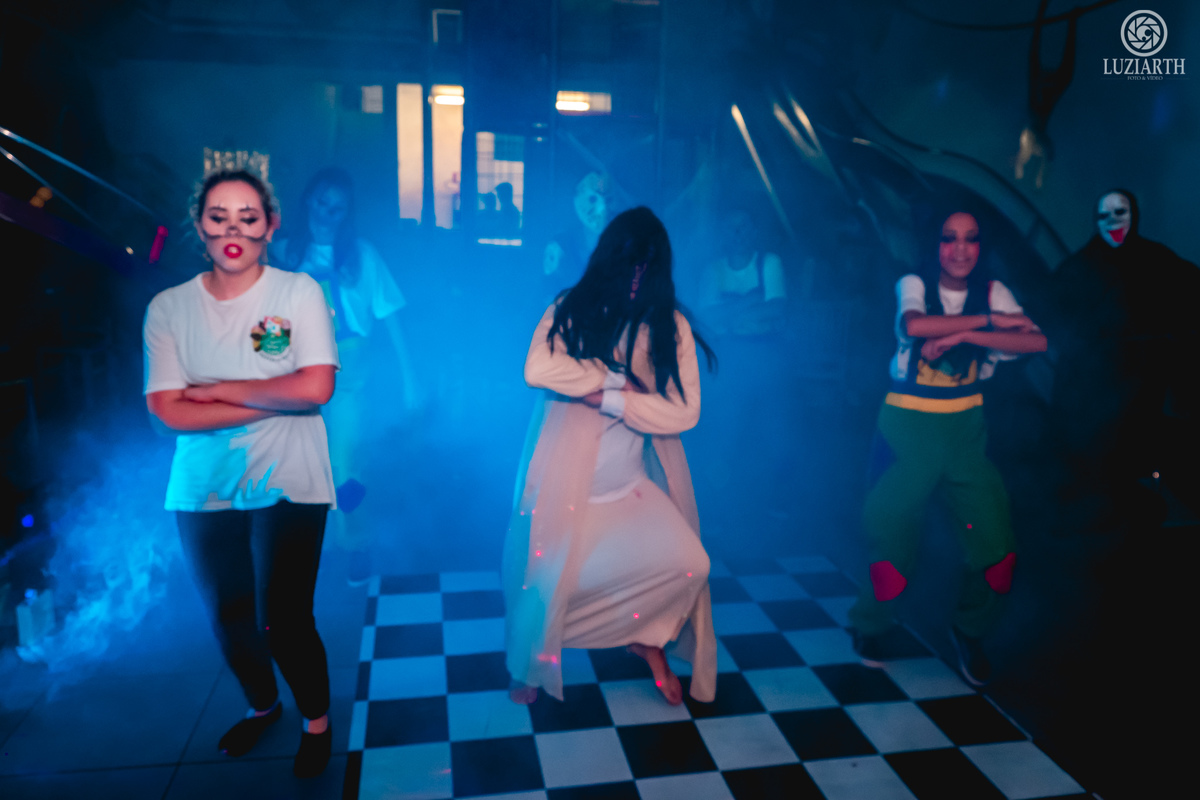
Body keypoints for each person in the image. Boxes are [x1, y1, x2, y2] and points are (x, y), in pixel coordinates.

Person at [143, 170, 338, 777]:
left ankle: (316, 723)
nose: (234, 229)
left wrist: (215, 390)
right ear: (199, 226)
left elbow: (316, 388)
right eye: (219, 216)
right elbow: (166, 412)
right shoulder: (169, 308)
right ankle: (263, 705)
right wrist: (269, 396)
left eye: (248, 217)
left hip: (290, 471)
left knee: (283, 617)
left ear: (270, 226)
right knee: (228, 615)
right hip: (202, 482)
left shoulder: (298, 292)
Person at [505, 207, 718, 706]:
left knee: (690, 564)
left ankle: (645, 638)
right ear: (609, 259)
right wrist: (614, 381)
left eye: (647, 268)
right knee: (548, 584)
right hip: (563, 485)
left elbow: (685, 412)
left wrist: (614, 403)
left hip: (628, 489)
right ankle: (532, 665)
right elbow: (536, 369)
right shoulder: (572, 307)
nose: (636, 279)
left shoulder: (670, 326)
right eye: (629, 265)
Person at [847, 207, 1047, 687]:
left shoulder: (995, 290)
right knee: (890, 543)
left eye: (970, 238)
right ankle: (870, 624)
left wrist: (965, 333)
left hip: (964, 435)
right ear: (934, 243)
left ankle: (969, 630)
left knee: (997, 553)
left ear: (981, 245)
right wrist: (992, 322)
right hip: (907, 431)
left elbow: (1038, 341)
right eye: (949, 238)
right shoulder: (914, 283)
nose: (960, 249)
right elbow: (915, 326)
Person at [273, 167, 418, 583]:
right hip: (297, 368)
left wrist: (411, 378)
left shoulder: (363, 256)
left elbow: (391, 318)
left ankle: (356, 546)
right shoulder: (283, 253)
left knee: (349, 460)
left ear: (346, 214)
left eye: (337, 208)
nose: (327, 214)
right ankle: (307, 547)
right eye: (322, 202)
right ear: (308, 200)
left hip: (350, 370)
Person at [1046, 189, 1199, 528]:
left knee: (1136, 456)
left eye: (1120, 212)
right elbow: (1050, 316)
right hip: (1090, 389)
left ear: (1134, 215)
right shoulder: (1077, 268)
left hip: (1141, 386)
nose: (1113, 221)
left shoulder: (1157, 260)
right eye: (1104, 215)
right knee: (1093, 463)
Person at [542, 172, 609, 291]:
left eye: (605, 198)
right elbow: (548, 289)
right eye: (591, 198)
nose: (590, 209)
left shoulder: (625, 242)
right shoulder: (560, 246)